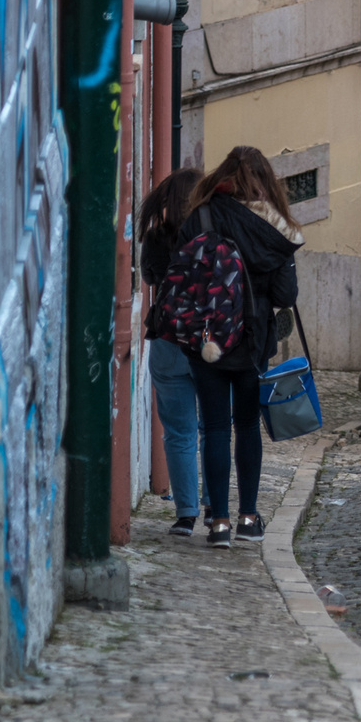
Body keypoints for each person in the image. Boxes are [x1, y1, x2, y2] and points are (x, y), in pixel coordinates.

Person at [179, 146, 304, 550]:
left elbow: (178, 275)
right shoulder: (275, 227)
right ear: (265, 182)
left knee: (213, 426)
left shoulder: (200, 215)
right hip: (252, 341)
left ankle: (218, 523)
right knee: (247, 425)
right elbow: (286, 294)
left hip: (206, 339)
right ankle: (249, 517)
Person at [139, 167, 207, 537]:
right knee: (212, 428)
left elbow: (149, 277)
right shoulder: (213, 234)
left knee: (178, 432)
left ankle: (185, 514)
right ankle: (217, 511)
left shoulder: (156, 237)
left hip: (167, 341)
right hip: (208, 342)